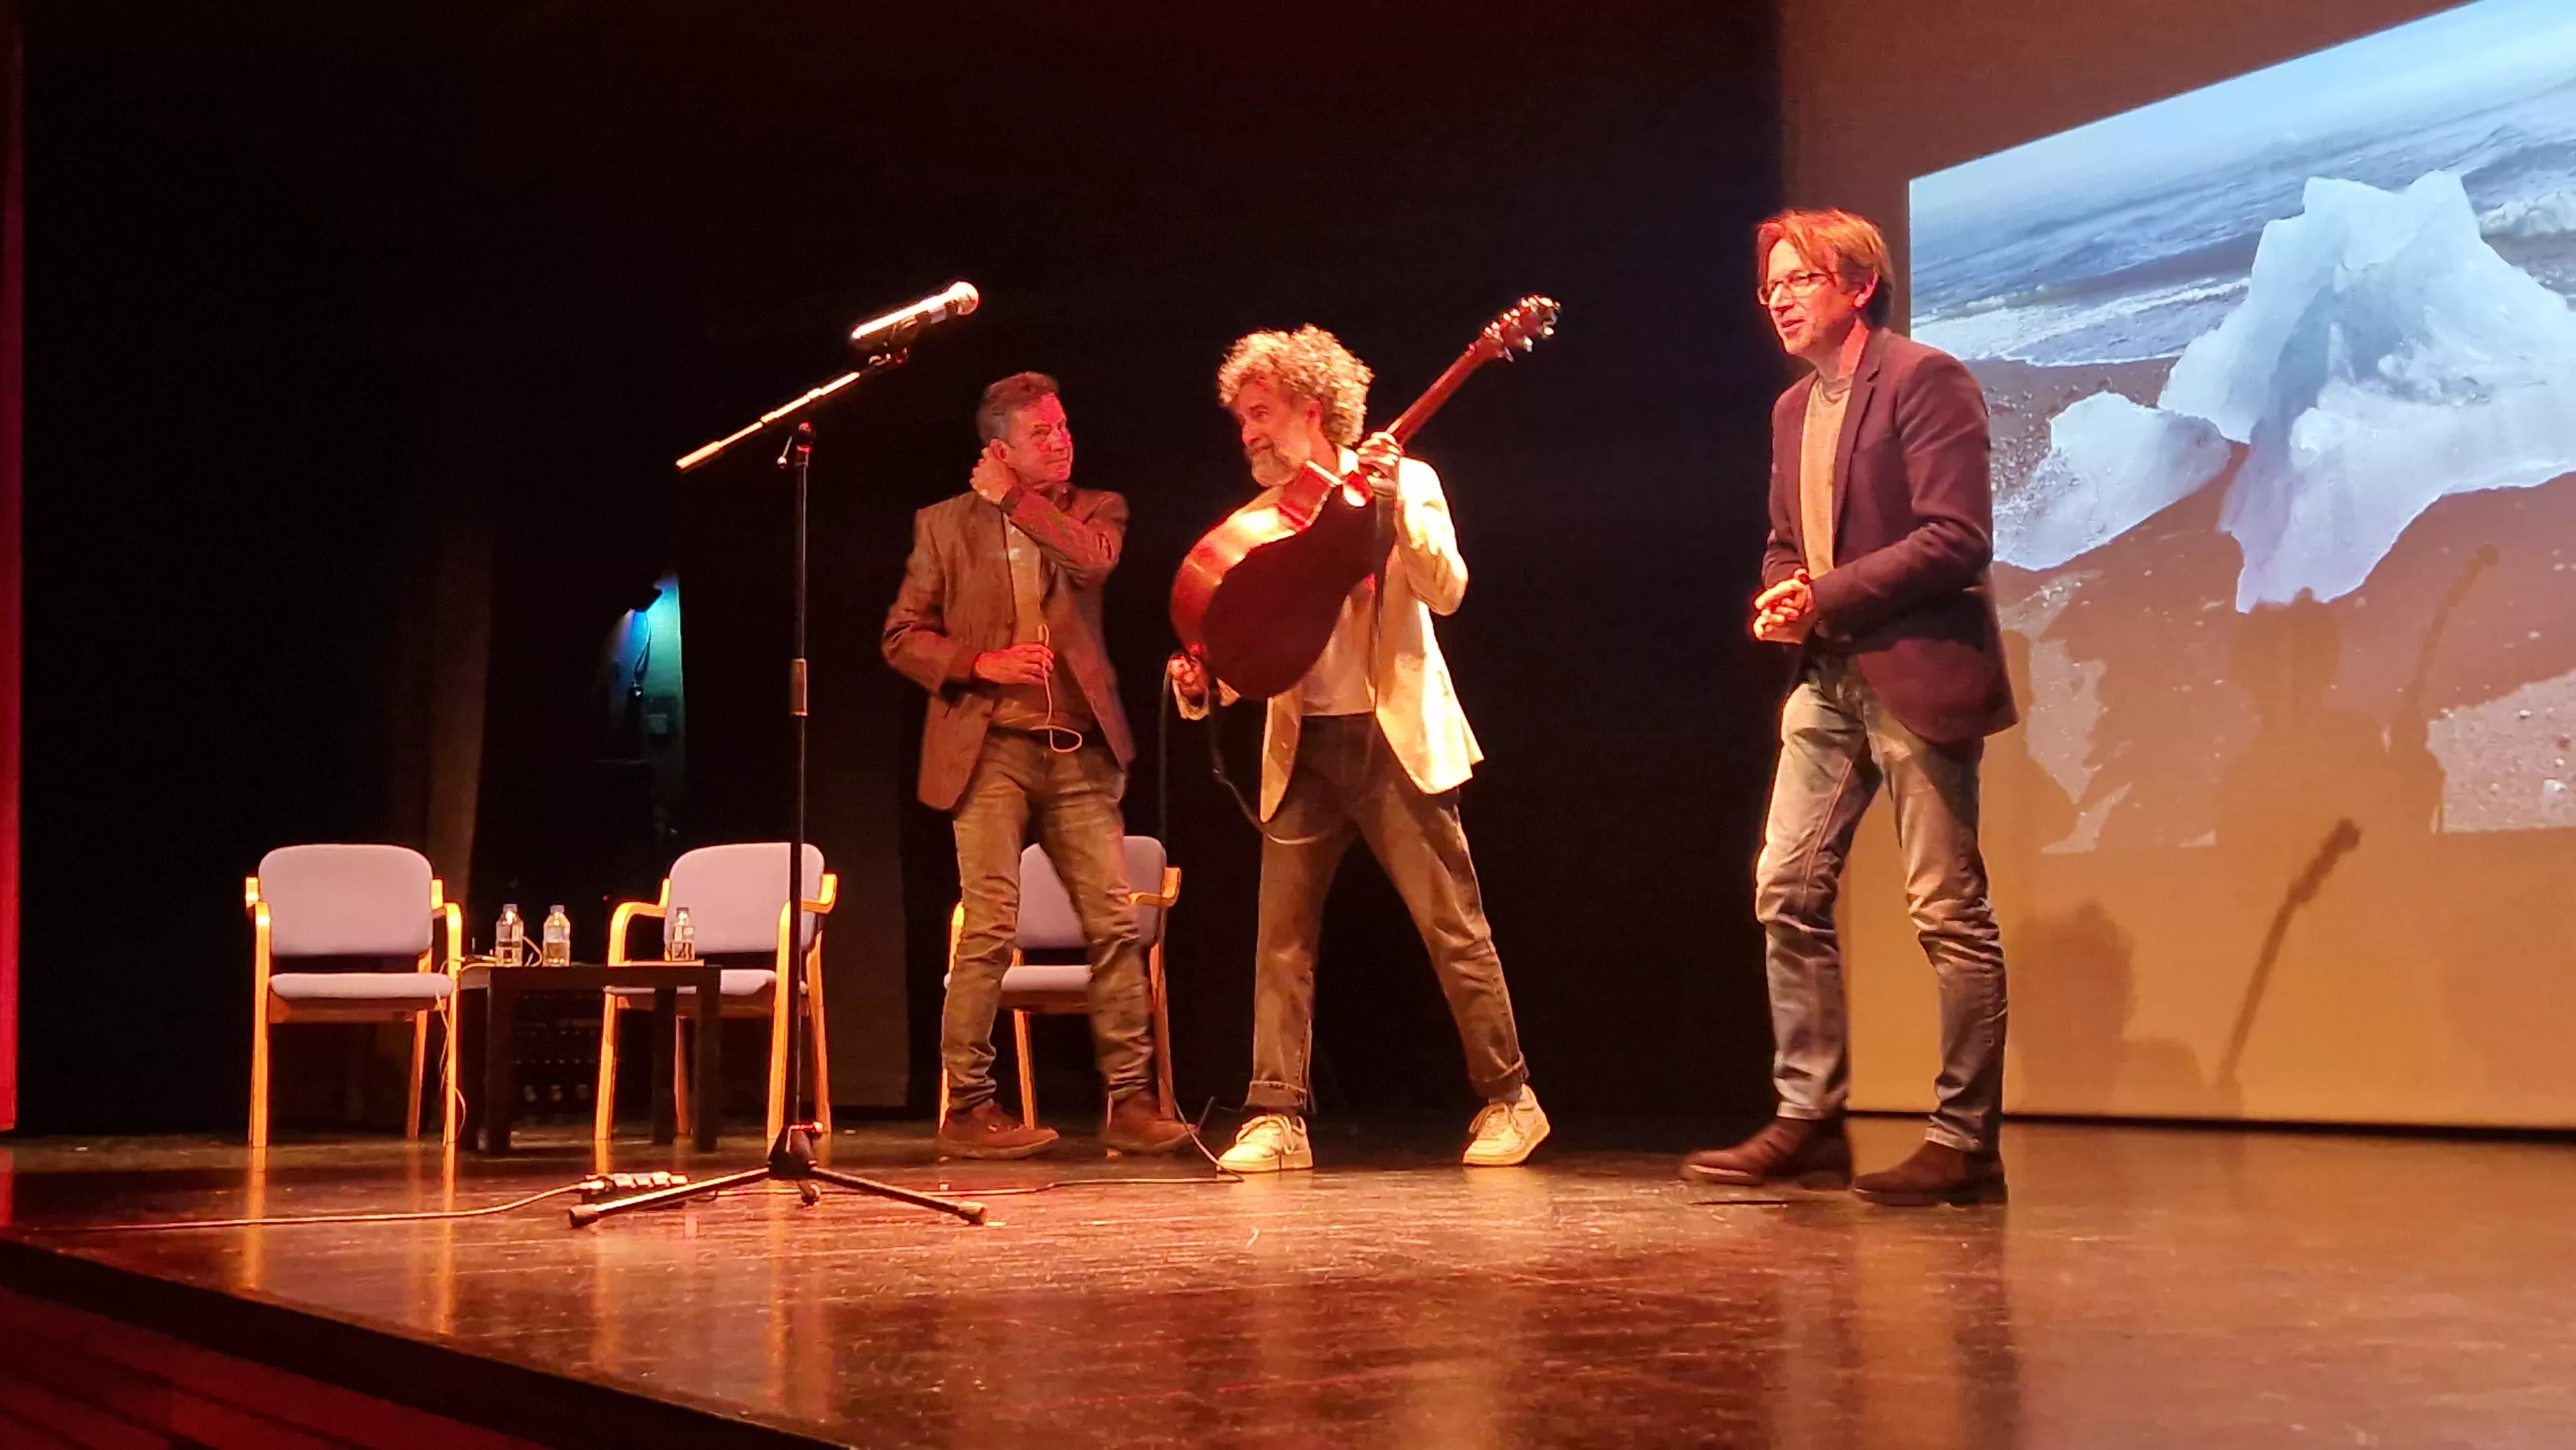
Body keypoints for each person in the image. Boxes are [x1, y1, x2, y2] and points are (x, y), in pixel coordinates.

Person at [1681, 210, 2017, 1205]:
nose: (1778, 298)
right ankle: (1810, 1120)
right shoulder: (1793, 412)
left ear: (1857, 286)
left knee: (1945, 908)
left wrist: (1825, 594)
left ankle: (1966, 1142)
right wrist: (1785, 592)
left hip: (1916, 667)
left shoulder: (1925, 379)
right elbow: (1789, 537)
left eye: (1798, 279)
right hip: (1827, 678)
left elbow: (1958, 536)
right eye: (1769, 286)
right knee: (1784, 885)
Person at [1169, 325, 1545, 1172]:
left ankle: (1511, 1100)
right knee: (1283, 939)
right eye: (1240, 421)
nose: (1248, 435)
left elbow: (1447, 591)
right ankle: (1277, 1118)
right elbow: (1254, 647)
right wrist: (1205, 688)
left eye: (1260, 414)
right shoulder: (1257, 522)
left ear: (1313, 409)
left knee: (1452, 926)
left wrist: (1389, 508)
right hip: (1303, 746)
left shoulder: (1406, 480)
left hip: (1395, 738)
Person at [884, 372, 1191, 1160]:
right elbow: (902, 635)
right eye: (1042, 433)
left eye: (1064, 426)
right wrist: (981, 662)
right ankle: (969, 1107)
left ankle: (1130, 1100)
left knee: (1115, 924)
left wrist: (1017, 499)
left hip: (1079, 748)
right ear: (999, 448)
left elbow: (1092, 564)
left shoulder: (1094, 508)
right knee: (988, 924)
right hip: (988, 750)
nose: (1061, 440)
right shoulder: (944, 525)